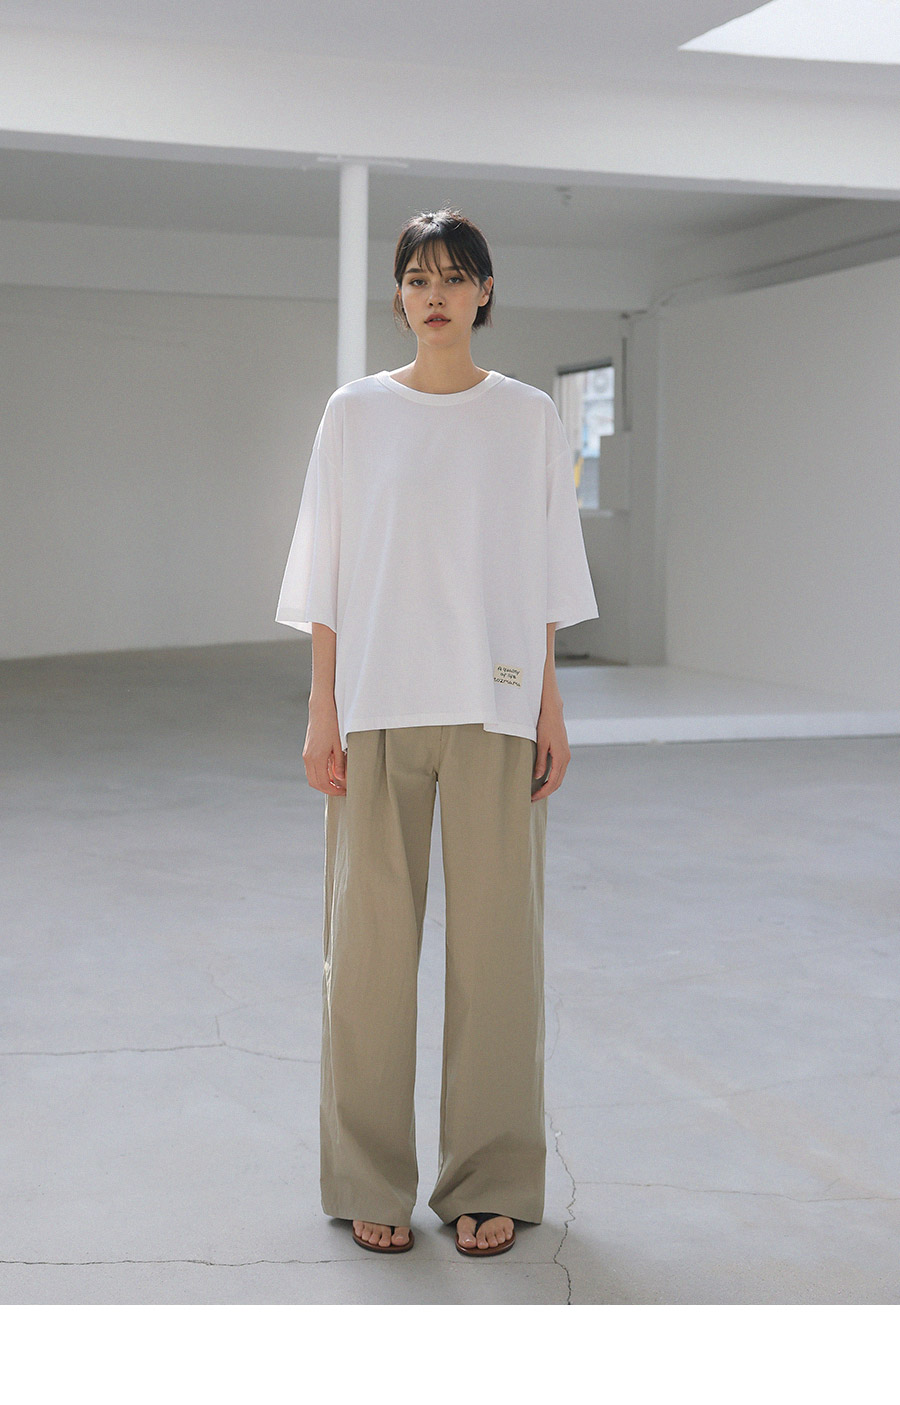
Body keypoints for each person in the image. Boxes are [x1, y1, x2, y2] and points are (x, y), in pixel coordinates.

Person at [275, 209, 598, 1258]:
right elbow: (326, 569)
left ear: (486, 292)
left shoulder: (528, 418)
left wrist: (548, 703)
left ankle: (488, 1178)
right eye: (418, 278)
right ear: (400, 294)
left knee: (499, 955)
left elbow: (544, 571)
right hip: (376, 707)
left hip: (495, 706)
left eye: (455, 277)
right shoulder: (355, 414)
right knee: (367, 957)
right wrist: (322, 706)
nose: (435, 294)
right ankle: (367, 1175)